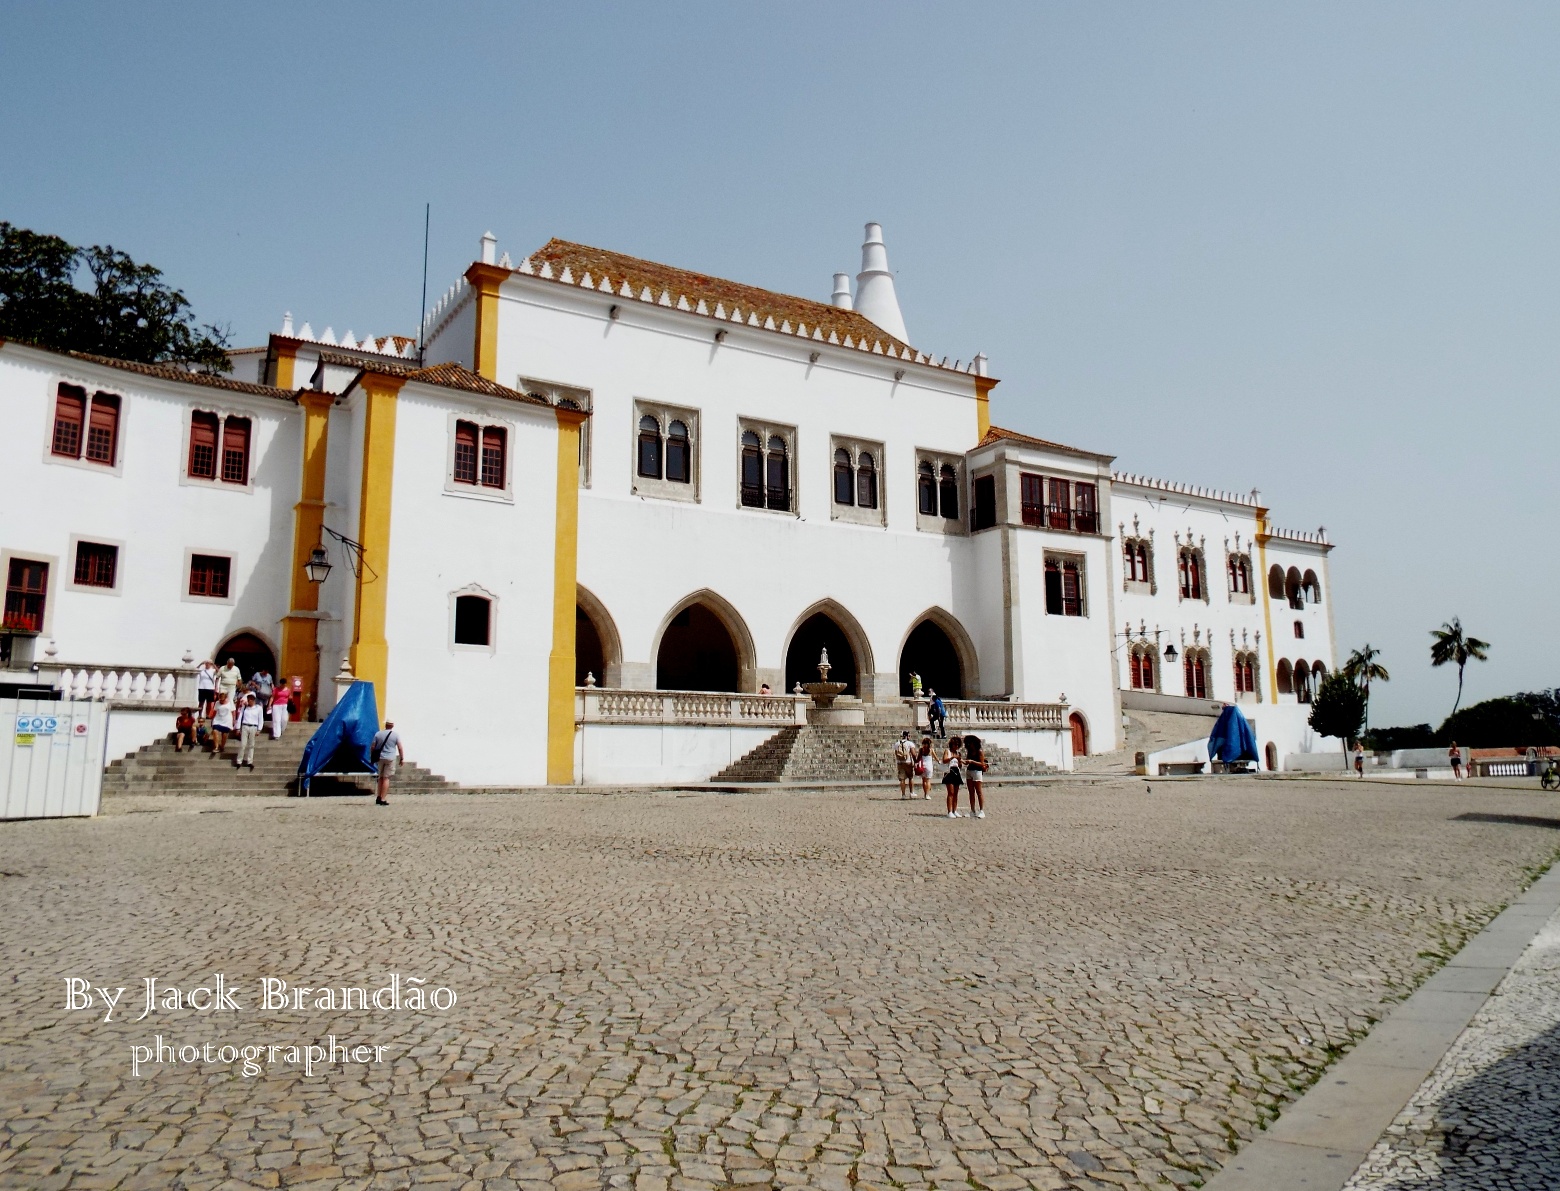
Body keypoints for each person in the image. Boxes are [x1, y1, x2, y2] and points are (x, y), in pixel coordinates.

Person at [371, 720, 404, 806]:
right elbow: (400, 747)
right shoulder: (395, 735)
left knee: (380, 777)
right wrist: (401, 758)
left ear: (385, 725)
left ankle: (378, 796)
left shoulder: (378, 734)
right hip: (390, 758)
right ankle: (383, 798)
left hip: (380, 758)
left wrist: (372, 756)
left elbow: (373, 746)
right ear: (392, 726)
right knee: (386, 778)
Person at [235, 694, 264, 768]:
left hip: (253, 726)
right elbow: (240, 717)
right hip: (245, 726)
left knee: (251, 745)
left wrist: (259, 729)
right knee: (242, 744)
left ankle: (249, 761)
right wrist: (238, 728)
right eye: (248, 700)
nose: (248, 702)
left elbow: (260, 719)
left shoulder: (258, 708)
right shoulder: (245, 707)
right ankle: (239, 761)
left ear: (253, 700)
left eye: (250, 700)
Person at [964, 733, 987, 817]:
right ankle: (972, 810)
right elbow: (967, 760)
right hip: (969, 770)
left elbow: (982, 763)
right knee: (971, 792)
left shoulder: (979, 751)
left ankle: (981, 810)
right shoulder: (969, 751)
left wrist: (972, 761)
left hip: (977, 771)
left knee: (979, 792)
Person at [941, 735, 964, 817]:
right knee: (951, 792)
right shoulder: (947, 751)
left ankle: (954, 810)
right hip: (949, 771)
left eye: (958, 745)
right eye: (955, 745)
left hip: (956, 771)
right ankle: (949, 811)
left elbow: (960, 765)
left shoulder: (958, 753)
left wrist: (959, 761)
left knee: (956, 793)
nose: (956, 746)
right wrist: (952, 757)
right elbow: (944, 760)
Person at [893, 730, 917, 798]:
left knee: (902, 779)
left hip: (900, 763)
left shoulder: (897, 744)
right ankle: (911, 792)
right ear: (906, 736)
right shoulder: (910, 743)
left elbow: (896, 753)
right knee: (910, 777)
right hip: (908, 762)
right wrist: (915, 761)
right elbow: (913, 754)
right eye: (909, 736)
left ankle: (903, 794)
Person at [210, 691, 235, 756]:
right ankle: (216, 747)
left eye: (222, 699)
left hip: (227, 720)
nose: (221, 701)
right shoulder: (217, 703)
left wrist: (234, 721)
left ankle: (222, 746)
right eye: (220, 699)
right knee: (215, 731)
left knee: (224, 735)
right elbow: (215, 711)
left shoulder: (230, 702)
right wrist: (212, 720)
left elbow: (233, 712)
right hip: (218, 719)